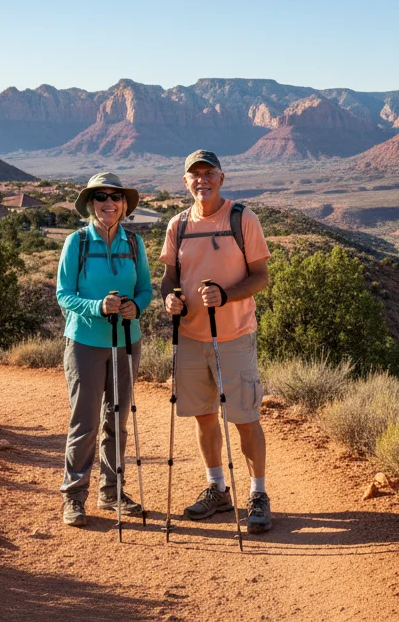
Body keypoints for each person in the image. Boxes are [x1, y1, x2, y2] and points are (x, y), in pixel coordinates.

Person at [160, 150, 274, 534]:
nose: (202, 180)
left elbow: (261, 277)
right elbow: (169, 276)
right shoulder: (177, 224)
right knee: (204, 416)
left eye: (209, 174)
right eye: (195, 175)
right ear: (185, 181)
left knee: (244, 418)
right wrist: (169, 298)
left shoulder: (243, 218)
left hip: (235, 337)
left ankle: (257, 493)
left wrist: (226, 296)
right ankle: (217, 489)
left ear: (222, 178)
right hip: (191, 336)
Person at [55, 172, 153, 527]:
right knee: (84, 422)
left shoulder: (134, 243)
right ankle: (74, 496)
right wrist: (98, 307)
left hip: (127, 340)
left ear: (124, 205)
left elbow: (145, 289)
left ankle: (111, 491)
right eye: (101, 197)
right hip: (85, 342)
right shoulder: (77, 242)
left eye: (115, 197)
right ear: (91, 204)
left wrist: (135, 308)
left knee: (117, 419)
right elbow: (63, 294)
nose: (108, 203)